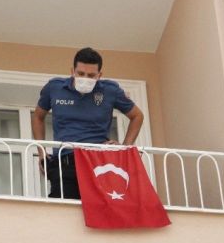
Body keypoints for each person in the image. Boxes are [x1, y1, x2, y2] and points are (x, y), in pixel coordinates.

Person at [31, 47, 144, 199]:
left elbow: (137, 116)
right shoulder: (55, 87)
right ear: (72, 71)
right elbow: (38, 116)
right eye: (81, 73)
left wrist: (125, 148)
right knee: (63, 207)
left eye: (91, 75)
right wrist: (41, 152)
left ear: (99, 75)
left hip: (99, 161)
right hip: (65, 160)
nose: (85, 78)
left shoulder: (110, 91)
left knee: (101, 208)